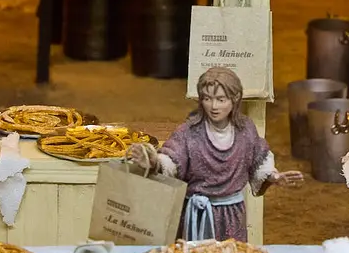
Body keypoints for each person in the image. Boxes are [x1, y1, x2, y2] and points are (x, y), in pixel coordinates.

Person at [127, 67, 304, 242]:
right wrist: (153, 161)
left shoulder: (246, 131)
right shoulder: (189, 132)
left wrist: (274, 176)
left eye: (221, 99)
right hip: (196, 214)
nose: (213, 106)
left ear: (235, 99)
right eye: (207, 98)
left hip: (231, 215)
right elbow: (172, 159)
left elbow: (260, 158)